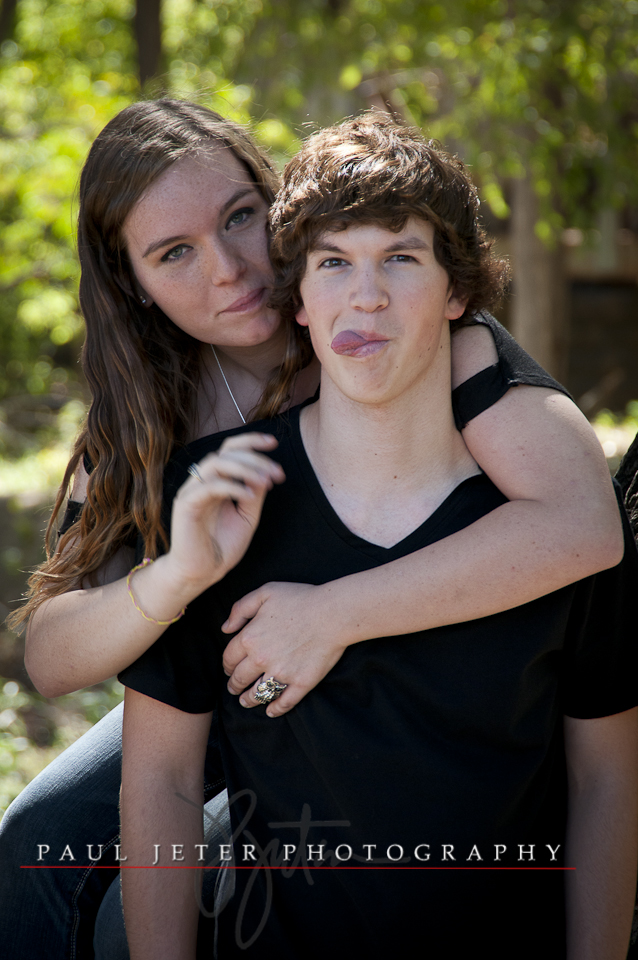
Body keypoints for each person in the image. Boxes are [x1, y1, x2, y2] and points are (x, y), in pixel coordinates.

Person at [0, 99, 623, 960]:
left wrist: (333, 614)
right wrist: (175, 577)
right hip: (227, 674)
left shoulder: (431, 339)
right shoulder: (146, 413)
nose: (228, 270)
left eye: (239, 219)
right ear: (133, 281)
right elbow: (52, 656)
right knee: (37, 846)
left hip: (393, 682)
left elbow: (585, 526)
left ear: (278, 203)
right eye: (175, 253)